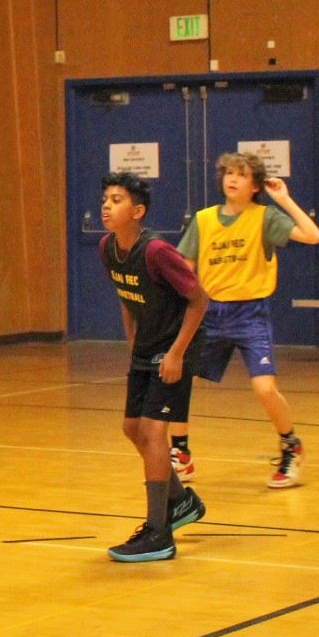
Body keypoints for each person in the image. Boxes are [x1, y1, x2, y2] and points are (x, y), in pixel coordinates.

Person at [174, 153, 319, 489]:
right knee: (178, 376)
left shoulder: (265, 217)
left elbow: (313, 236)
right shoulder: (204, 219)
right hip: (210, 313)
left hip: (250, 313)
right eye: (228, 173)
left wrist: (283, 199)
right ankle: (180, 453)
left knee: (264, 387)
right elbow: (185, 267)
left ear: (255, 185)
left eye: (241, 175)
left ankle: (291, 446)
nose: (232, 179)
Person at [98, 171, 209, 561]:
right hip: (146, 348)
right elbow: (127, 296)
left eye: (117, 200)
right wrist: (133, 342)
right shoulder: (108, 247)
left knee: (152, 432)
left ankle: (159, 532)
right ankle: (180, 501)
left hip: (177, 348)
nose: (107, 206)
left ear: (138, 211)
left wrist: (177, 353)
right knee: (132, 429)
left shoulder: (158, 251)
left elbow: (199, 301)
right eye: (105, 200)